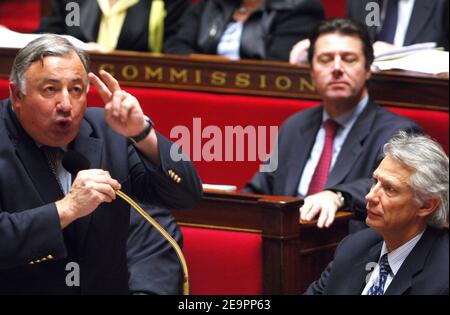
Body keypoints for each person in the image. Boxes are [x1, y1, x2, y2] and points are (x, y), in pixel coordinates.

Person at [0, 34, 202, 294]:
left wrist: (142, 133)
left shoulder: (107, 131)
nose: (66, 105)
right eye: (50, 89)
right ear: (17, 94)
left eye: (76, 89)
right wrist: (66, 209)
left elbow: (185, 195)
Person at [244, 19, 420, 230]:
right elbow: (260, 189)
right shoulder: (294, 126)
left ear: (367, 69)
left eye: (349, 59)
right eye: (326, 59)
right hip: (284, 246)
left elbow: (395, 191)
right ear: (311, 72)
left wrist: (338, 196)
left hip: (349, 252)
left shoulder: (398, 133)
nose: (337, 68)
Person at [305, 132, 449, 295]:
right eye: (375, 182)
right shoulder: (353, 247)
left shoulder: (443, 279)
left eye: (389, 189)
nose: (370, 196)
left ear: (426, 205)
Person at [290, 0, 449, 64]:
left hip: (424, 99)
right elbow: (353, 39)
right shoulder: (365, 3)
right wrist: (321, 45)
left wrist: (402, 56)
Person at [164, 0, 324, 61]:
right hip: (202, 88)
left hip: (258, 97)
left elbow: (277, 65)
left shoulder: (299, 9)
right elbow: (175, 46)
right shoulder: (210, 5)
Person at [36, 0, 189, 52]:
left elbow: (175, 46)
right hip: (75, 81)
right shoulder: (73, 3)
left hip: (139, 86)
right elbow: (49, 34)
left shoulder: (169, 2)